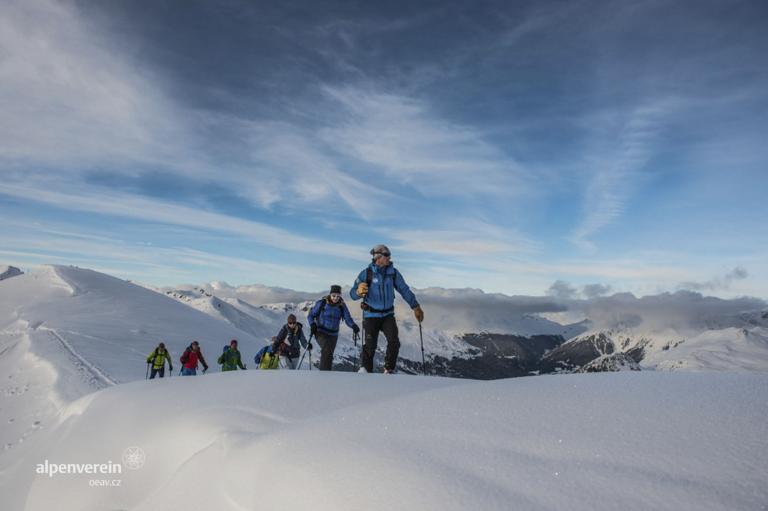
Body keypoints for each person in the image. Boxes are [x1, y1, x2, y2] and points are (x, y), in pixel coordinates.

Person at [350, 244, 423, 374]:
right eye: (387, 255)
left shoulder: (393, 273)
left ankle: (389, 369)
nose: (389, 257)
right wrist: (358, 291)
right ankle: (365, 371)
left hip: (388, 315)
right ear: (378, 257)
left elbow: (404, 289)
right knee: (370, 345)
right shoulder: (366, 274)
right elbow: (352, 294)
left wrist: (415, 306)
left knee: (394, 341)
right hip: (371, 315)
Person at [307, 285, 359, 371]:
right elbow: (311, 315)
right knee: (326, 349)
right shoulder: (322, 303)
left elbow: (347, 318)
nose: (335, 298)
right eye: (334, 295)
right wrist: (312, 324)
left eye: (338, 296)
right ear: (330, 294)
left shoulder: (342, 306)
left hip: (333, 335)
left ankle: (328, 375)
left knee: (329, 354)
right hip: (320, 331)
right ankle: (323, 375)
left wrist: (353, 325)